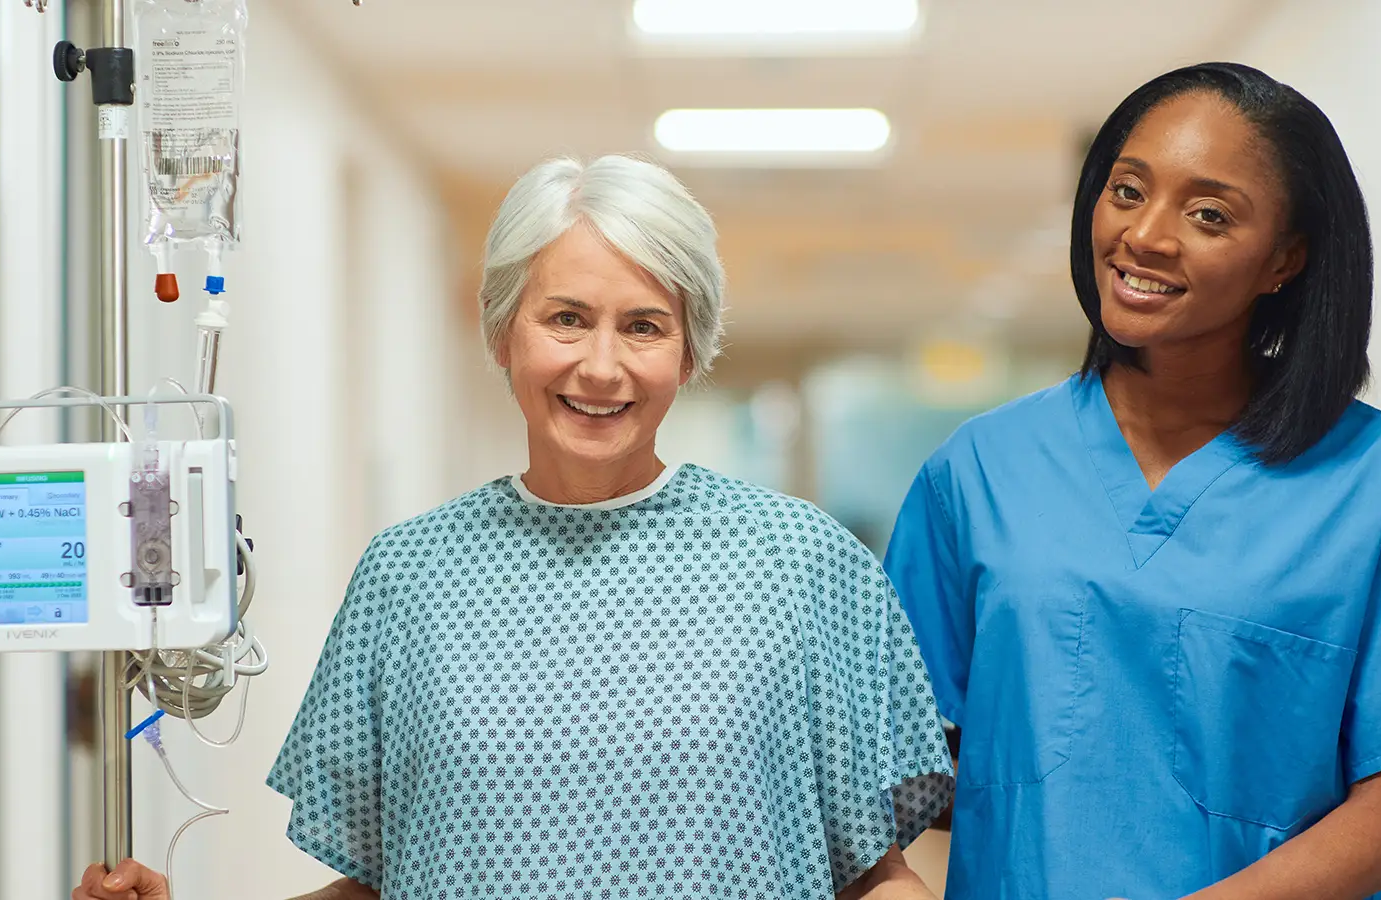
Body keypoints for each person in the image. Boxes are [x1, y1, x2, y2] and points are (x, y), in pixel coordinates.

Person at [75, 155, 954, 900]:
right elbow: (384, 881)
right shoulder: (409, 576)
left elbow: (874, 875)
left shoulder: (800, 563)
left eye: (644, 327)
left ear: (691, 351)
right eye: (566, 318)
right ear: (503, 332)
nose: (600, 366)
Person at [883, 62, 1381, 900]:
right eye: (1127, 191)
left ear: (1286, 259)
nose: (1147, 235)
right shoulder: (977, 472)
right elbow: (907, 768)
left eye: (1207, 214)